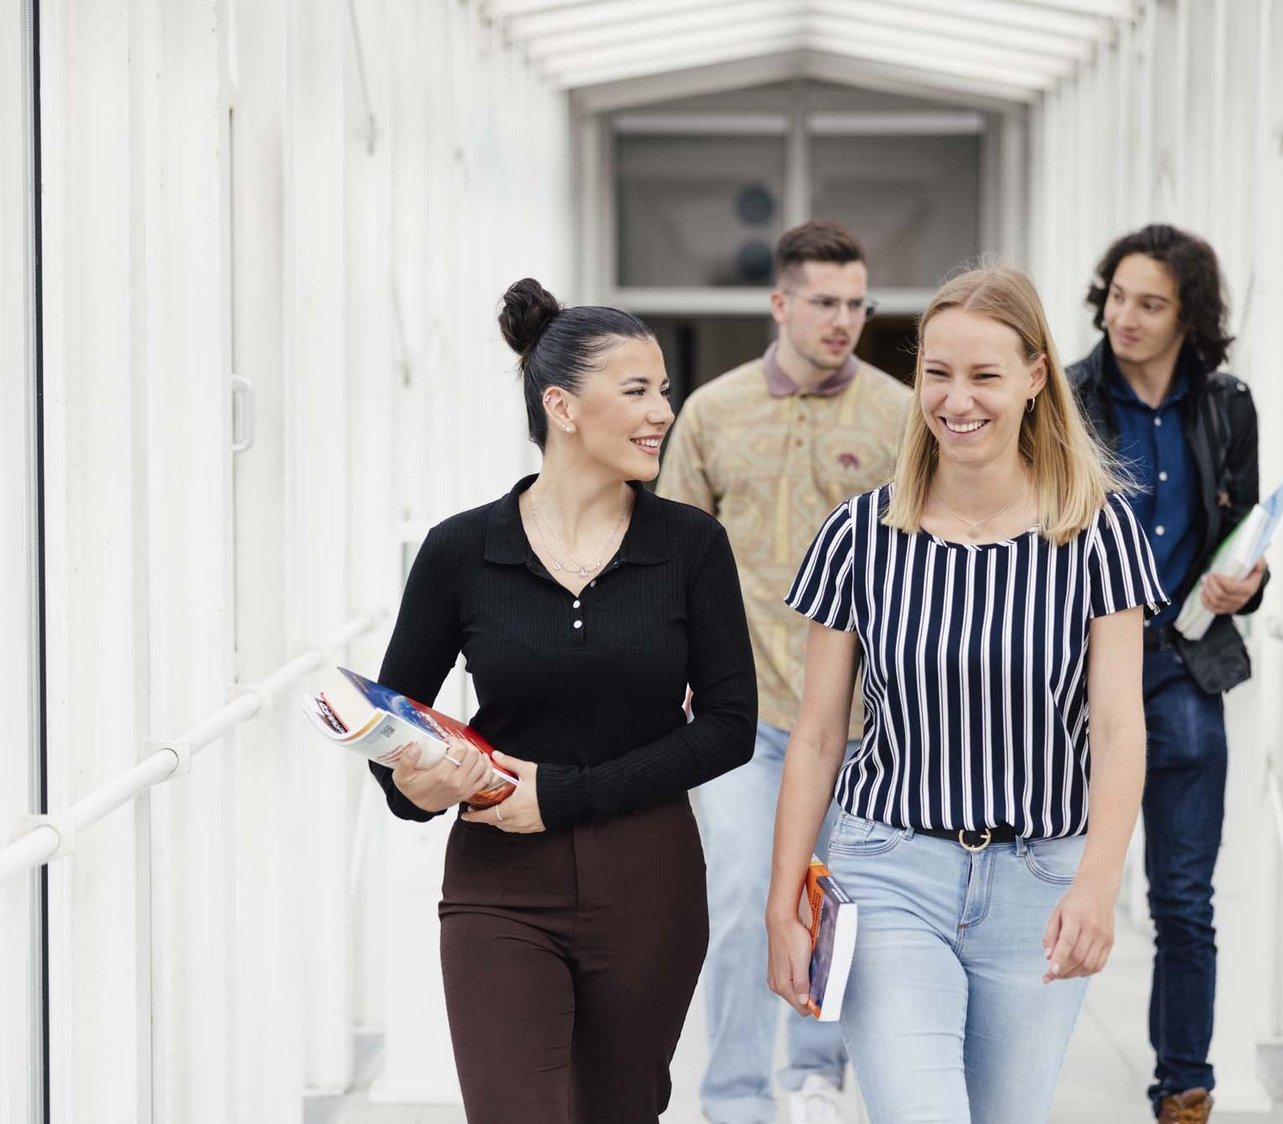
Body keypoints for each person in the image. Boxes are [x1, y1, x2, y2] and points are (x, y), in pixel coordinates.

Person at [767, 265, 1164, 1123]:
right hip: (889, 869)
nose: (957, 400)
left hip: (1042, 881)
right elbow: (818, 737)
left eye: (984, 375)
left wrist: (1098, 884)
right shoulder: (858, 537)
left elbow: (1121, 730)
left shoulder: (1097, 533)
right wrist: (782, 904)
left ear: (1034, 378)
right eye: (937, 374)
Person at [369, 279, 757, 1124]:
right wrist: (415, 784)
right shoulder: (460, 551)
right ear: (563, 407)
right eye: (638, 391)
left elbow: (731, 728)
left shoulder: (690, 546)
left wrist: (565, 795)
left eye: (662, 389)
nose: (663, 409)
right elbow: (395, 724)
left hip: (648, 881)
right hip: (497, 887)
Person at [656, 220, 910, 1124]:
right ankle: (732, 1098)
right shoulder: (712, 412)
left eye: (857, 302)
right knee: (737, 902)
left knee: (837, 906)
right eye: (827, 302)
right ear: (781, 304)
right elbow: (669, 557)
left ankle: (814, 1078)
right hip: (740, 716)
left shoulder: (899, 414)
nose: (845, 319)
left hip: (864, 726)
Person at [1067, 224, 1267, 1124]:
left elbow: (1245, 531)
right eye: (1117, 297)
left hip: (1184, 666)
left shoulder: (1227, 404)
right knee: (1046, 871)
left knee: (1184, 897)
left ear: (1191, 315)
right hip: (1073, 672)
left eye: (1150, 304)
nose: (1126, 318)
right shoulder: (1063, 400)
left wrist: (1247, 579)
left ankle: (1184, 1083)